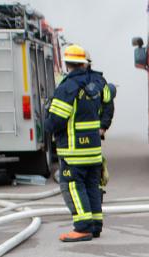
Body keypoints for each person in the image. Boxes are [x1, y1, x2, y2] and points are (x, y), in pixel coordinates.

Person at [44, 44, 114, 242]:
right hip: (93, 149)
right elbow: (109, 99)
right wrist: (103, 125)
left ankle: (82, 227)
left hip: (73, 150)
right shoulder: (98, 83)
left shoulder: (67, 88)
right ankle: (95, 225)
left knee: (73, 185)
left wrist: (46, 125)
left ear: (67, 64)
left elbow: (57, 119)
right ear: (84, 63)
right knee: (92, 184)